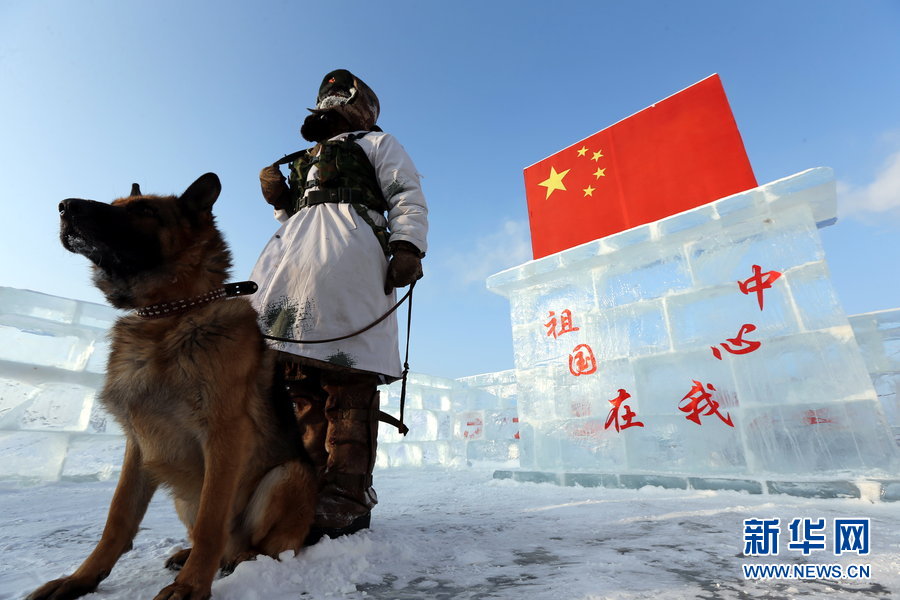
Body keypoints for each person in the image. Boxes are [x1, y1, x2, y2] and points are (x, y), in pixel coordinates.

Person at [250, 69, 428, 541]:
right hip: (294, 263)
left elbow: (405, 193)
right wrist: (281, 201)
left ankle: (348, 495)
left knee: (348, 379)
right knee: (299, 383)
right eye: (324, 101)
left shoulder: (378, 144)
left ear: (359, 106)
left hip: (352, 258)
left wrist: (408, 244)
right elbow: (301, 213)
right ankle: (305, 489)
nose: (328, 107)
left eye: (337, 100)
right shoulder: (304, 160)